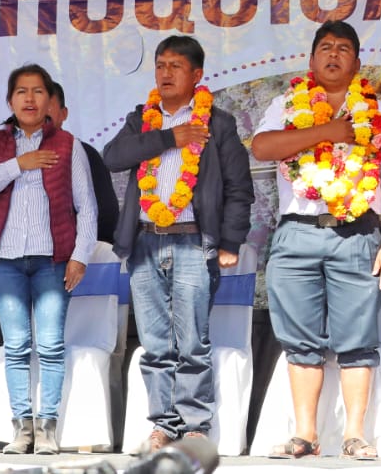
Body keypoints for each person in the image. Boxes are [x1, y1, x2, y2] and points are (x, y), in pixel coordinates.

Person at [250, 21, 381, 459]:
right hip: (298, 233)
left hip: (356, 233)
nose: (333, 54)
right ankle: (306, 434)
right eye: (325, 47)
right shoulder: (287, 105)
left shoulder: (379, 112)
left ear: (357, 63)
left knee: (358, 338)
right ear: (312, 59)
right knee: (300, 339)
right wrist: (326, 132)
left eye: (343, 48)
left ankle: (355, 433)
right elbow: (263, 147)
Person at [102, 35, 253, 451]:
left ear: (197, 75)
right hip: (145, 242)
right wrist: (171, 137)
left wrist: (230, 242)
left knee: (192, 342)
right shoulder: (142, 120)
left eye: (176, 66)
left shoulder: (218, 123)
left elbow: (240, 189)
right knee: (153, 343)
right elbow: (112, 157)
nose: (166, 73)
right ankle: (163, 426)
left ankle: (194, 427)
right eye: (161, 65)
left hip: (192, 243)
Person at [0, 63, 98, 454]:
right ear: (10, 100)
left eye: (37, 91)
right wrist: (16, 165)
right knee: (17, 345)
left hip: (53, 261)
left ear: (49, 100)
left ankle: (47, 430)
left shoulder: (68, 144)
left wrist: (80, 257)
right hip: (5, 261)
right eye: (21, 91)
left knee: (52, 345)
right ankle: (21, 429)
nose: (29, 98)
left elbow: (86, 207)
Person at [48, 80, 119, 244]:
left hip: (69, 257)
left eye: (48, 105)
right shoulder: (11, 156)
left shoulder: (85, 154)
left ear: (63, 114)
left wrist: (79, 255)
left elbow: (106, 214)